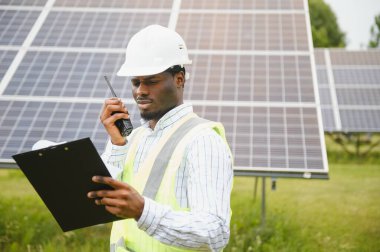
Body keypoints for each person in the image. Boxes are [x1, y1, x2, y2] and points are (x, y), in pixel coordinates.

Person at [87, 24, 233, 252]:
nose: (140, 91)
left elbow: (214, 233)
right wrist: (117, 145)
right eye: (136, 82)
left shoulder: (203, 140)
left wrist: (143, 211)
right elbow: (99, 205)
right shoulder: (130, 139)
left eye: (151, 81)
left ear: (179, 79)